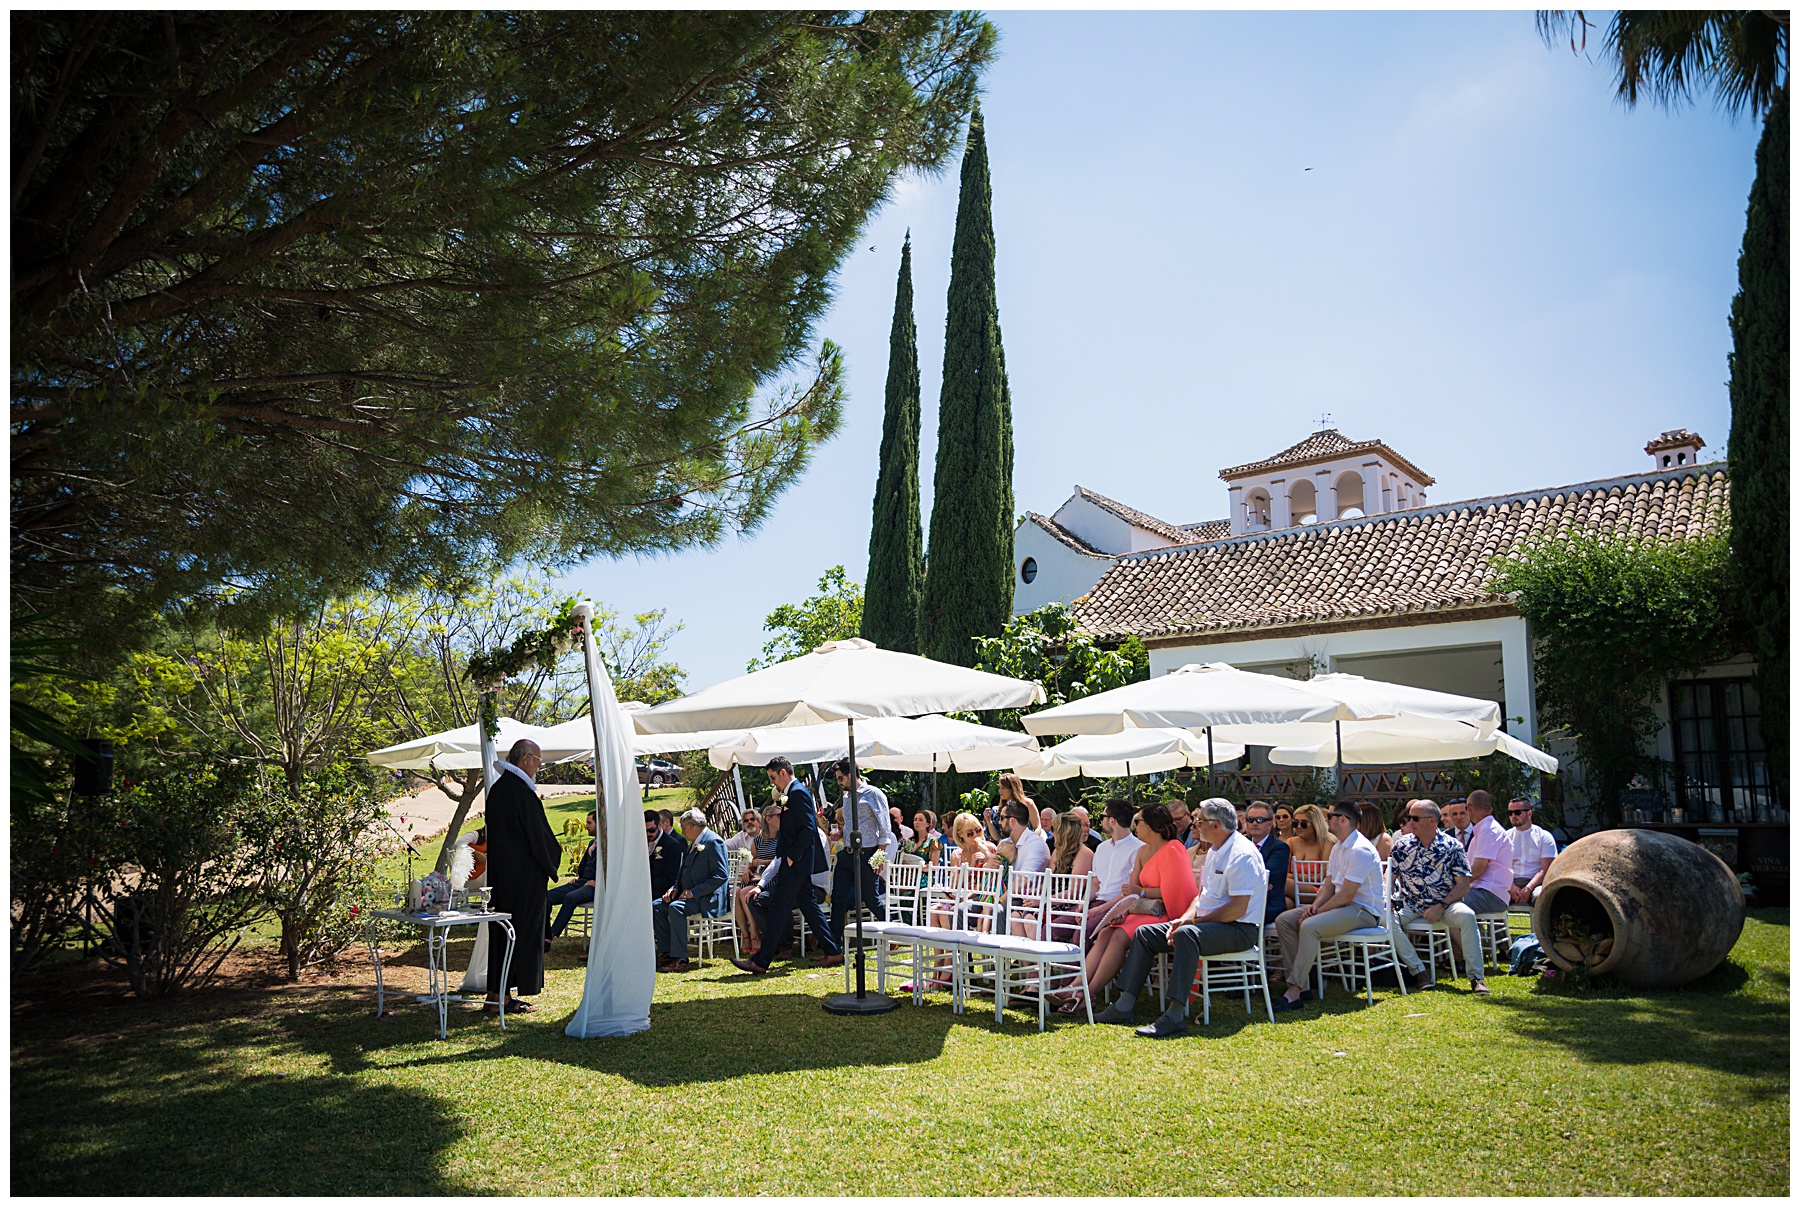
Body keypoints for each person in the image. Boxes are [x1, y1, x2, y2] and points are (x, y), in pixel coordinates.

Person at [1094, 799, 1267, 1036]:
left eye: (1200, 820)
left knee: (1187, 934)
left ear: (1215, 825)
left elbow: (1237, 909)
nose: (1196, 824)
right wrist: (1185, 917)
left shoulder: (1241, 855)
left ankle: (1174, 1014)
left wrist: (1193, 922)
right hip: (1209, 924)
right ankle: (1124, 1004)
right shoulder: (1217, 850)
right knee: (1145, 933)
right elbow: (1201, 896)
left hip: (1238, 929)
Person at [1065, 802, 1195, 1014]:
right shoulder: (1143, 851)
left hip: (1166, 913)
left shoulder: (1173, 848)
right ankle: (1076, 986)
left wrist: (1142, 892)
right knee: (1107, 931)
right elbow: (1131, 891)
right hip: (1141, 910)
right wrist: (1124, 909)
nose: (1134, 826)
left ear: (1152, 825)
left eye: (1138, 822)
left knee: (1118, 936)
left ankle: (1086, 994)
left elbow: (1172, 892)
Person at [1272, 802, 1384, 1013]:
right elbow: (1329, 885)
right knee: (1284, 920)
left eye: (1331, 816)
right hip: (1344, 908)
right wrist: (1313, 906)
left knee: (1310, 925)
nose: (1326, 819)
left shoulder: (1360, 849)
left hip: (1364, 911)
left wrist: (1316, 912)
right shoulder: (1340, 846)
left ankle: (1294, 990)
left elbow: (1346, 895)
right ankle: (1303, 987)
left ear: (1343, 819)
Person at [733, 757, 842, 974]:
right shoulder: (790, 793)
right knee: (809, 907)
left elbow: (808, 828)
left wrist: (792, 856)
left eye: (773, 777)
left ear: (783, 772)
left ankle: (761, 961)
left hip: (796, 863)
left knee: (778, 909)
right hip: (795, 862)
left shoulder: (798, 792)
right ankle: (833, 951)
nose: (773, 782)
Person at [483, 739, 561, 1015]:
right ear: (526, 758)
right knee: (520, 935)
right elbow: (538, 835)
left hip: (501, 876)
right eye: (538, 761)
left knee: (501, 934)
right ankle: (503, 999)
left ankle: (496, 994)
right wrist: (553, 860)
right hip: (524, 879)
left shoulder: (498, 790)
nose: (539, 766)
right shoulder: (521, 793)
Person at [1384, 799, 1488, 995]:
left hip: (1446, 904)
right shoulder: (1401, 845)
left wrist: (1440, 906)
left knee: (1467, 916)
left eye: (1414, 818)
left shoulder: (1452, 846)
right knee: (1386, 918)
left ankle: (1476, 977)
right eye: (1409, 817)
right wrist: (1387, 896)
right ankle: (1419, 971)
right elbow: (1390, 877)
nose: (1409, 822)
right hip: (1410, 903)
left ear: (1432, 821)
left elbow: (1463, 885)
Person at [654, 808, 731, 973]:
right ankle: (666, 952)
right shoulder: (694, 842)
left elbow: (721, 876)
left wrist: (694, 892)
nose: (681, 831)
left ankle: (681, 958)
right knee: (656, 906)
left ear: (690, 826)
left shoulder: (713, 842)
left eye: (682, 826)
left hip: (706, 898)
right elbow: (684, 871)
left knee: (676, 908)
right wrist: (674, 889)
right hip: (688, 896)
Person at [828, 758, 890, 946]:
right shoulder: (846, 798)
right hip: (846, 853)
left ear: (850, 775)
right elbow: (852, 824)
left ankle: (894, 931)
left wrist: (879, 857)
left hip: (867, 854)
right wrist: (840, 833)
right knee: (837, 900)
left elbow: (885, 828)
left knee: (871, 899)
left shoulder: (873, 794)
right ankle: (834, 946)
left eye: (841, 778)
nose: (839, 782)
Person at [1087, 799, 1145, 931]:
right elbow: (1095, 884)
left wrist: (1099, 909)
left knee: (1083, 930)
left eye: (1102, 817)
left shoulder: (1139, 849)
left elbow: (1130, 892)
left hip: (1117, 906)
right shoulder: (1101, 848)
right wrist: (1083, 905)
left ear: (1112, 821)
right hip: (1095, 903)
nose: (1101, 821)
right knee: (1053, 928)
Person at [733, 804, 785, 950]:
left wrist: (764, 862)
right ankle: (746, 935)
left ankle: (755, 933)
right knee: (736, 892)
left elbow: (781, 861)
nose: (783, 819)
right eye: (779, 816)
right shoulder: (758, 840)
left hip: (773, 879)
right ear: (768, 819)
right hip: (758, 877)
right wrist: (747, 869)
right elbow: (753, 860)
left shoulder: (783, 839)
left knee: (744, 893)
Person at [545, 811, 597, 945]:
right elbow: (585, 866)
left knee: (571, 897)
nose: (586, 826)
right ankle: (543, 931)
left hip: (595, 886)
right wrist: (578, 877)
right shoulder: (592, 842)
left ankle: (551, 935)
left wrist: (599, 882)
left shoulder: (608, 845)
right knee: (546, 897)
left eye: (589, 823)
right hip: (581, 882)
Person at [1463, 791, 1515, 918]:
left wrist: (1455, 885)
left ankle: (1466, 938)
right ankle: (1473, 936)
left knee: (1446, 903)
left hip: (1490, 894)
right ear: (1490, 809)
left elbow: (1478, 868)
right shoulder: (1486, 828)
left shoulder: (1488, 829)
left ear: (1469, 808)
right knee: (1445, 900)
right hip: (1484, 891)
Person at [1242, 802, 1290, 929]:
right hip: (1241, 902)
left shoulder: (1280, 847)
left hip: (1268, 905)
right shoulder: (1241, 844)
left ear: (1270, 824)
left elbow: (1268, 875)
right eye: (1251, 820)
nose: (1254, 823)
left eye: (1260, 820)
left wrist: (1241, 877)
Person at [1284, 803, 1335, 907]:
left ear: (1315, 824)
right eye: (1295, 823)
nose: (1298, 827)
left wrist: (1295, 877)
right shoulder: (1290, 842)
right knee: (1286, 902)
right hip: (1294, 890)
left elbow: (1322, 878)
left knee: (1283, 883)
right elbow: (1283, 873)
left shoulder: (1327, 843)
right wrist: (1309, 877)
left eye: (1303, 823)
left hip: (1320, 891)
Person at [1508, 798, 1557, 903]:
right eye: (1510, 813)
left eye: (1517, 812)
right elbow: (1500, 867)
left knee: (1542, 896)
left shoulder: (1544, 837)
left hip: (1536, 883)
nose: (1513, 816)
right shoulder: (1505, 837)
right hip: (1510, 883)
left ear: (1529, 813)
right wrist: (1511, 887)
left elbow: (1546, 869)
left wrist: (1529, 888)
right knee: (1493, 895)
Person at [998, 801, 1050, 874]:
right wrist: (988, 867)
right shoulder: (1004, 843)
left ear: (1012, 820)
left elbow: (1025, 880)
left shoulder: (1036, 844)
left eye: (1002, 818)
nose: (999, 822)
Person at [647, 807, 685, 900]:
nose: (648, 834)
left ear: (659, 824)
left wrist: (646, 884)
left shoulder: (672, 845)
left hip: (660, 894)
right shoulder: (641, 841)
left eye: (651, 830)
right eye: (645, 831)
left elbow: (671, 877)